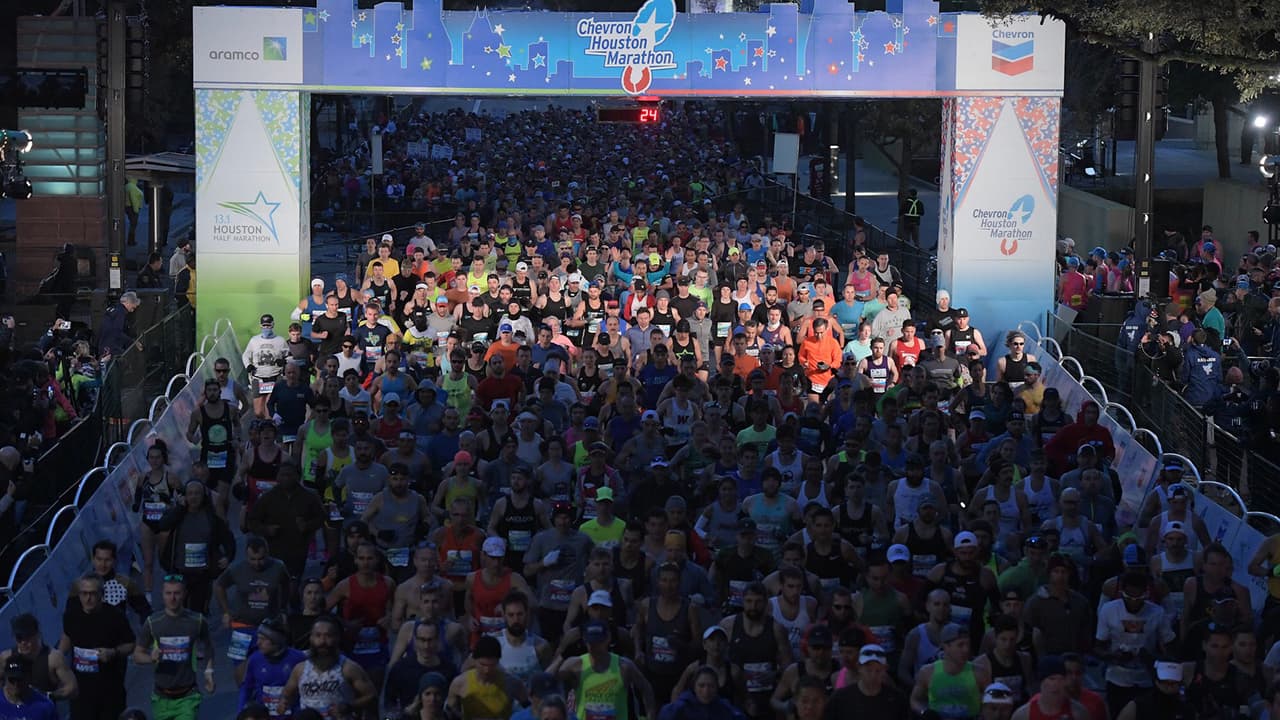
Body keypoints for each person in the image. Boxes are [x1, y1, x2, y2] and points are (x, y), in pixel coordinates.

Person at [133, 576, 216, 720]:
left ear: (184, 594)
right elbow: (137, 655)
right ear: (163, 594)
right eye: (168, 593)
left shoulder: (197, 621)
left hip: (188, 696)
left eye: (177, 593)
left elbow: (208, 646)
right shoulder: (153, 623)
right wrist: (150, 658)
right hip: (161, 698)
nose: (172, 598)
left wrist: (208, 672)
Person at [213, 535, 292, 681]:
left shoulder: (278, 567)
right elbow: (219, 585)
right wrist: (225, 611)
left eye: (261, 559)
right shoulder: (237, 569)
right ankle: (244, 700)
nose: (257, 563)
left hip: (268, 627)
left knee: (270, 666)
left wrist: (283, 608)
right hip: (241, 626)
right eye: (252, 559)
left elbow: (287, 585)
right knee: (240, 667)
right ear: (246, 555)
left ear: (267, 553)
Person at [59, 573, 134, 720]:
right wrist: (58, 657)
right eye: (84, 593)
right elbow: (67, 635)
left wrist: (113, 652)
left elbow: (131, 644)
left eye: (92, 593)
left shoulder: (115, 616)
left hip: (110, 691)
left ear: (101, 594)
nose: (88, 598)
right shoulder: (71, 615)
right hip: (80, 692)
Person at [553, 620, 658, 720]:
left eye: (599, 642)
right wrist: (563, 655)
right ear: (585, 640)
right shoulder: (576, 665)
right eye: (592, 642)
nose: (595, 647)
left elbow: (646, 688)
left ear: (608, 638)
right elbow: (545, 680)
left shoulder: (624, 666)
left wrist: (650, 716)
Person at [280, 615, 378, 718]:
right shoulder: (300, 669)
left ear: (337, 638)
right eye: (318, 635)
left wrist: (350, 706)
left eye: (328, 636)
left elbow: (371, 695)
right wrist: (284, 702)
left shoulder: (349, 668)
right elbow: (286, 693)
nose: (323, 641)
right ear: (311, 638)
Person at [446, 635, 528, 720]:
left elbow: (530, 710)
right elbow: (448, 712)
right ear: (474, 660)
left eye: (492, 665)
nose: (487, 670)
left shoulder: (512, 683)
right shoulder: (460, 683)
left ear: (498, 661)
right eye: (482, 664)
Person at [237, 617, 305, 716]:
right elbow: (246, 688)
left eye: (263, 639)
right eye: (258, 638)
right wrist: (240, 712)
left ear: (276, 640)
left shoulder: (298, 658)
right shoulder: (255, 659)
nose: (258, 643)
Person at [0, 614, 76, 702]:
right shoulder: (6, 658)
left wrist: (48, 696)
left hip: (42, 712)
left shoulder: (53, 659)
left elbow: (72, 688)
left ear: (37, 635)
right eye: (19, 638)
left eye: (27, 637)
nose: (23, 642)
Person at [660, 665, 746, 720]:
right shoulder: (679, 707)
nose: (706, 691)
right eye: (701, 685)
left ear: (717, 688)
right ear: (694, 687)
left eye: (711, 686)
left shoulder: (724, 707)